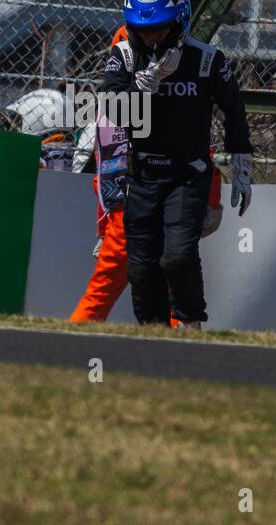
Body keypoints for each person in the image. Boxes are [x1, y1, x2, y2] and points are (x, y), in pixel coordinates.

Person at [100, 0, 252, 328]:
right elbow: (113, 112)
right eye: (143, 29)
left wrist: (243, 169)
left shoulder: (207, 60)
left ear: (180, 22)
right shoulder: (122, 56)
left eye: (160, 29)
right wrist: (146, 86)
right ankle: (152, 335)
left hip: (187, 175)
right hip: (141, 177)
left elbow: (234, 110)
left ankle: (189, 322)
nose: (151, 36)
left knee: (178, 257)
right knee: (140, 265)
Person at [70, 28, 223, 325]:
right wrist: (212, 204)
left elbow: (104, 174)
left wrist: (103, 229)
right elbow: (201, 158)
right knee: (172, 288)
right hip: (158, 211)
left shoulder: (110, 109)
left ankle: (68, 350)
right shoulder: (174, 96)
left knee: (100, 295)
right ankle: (181, 351)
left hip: (123, 221)